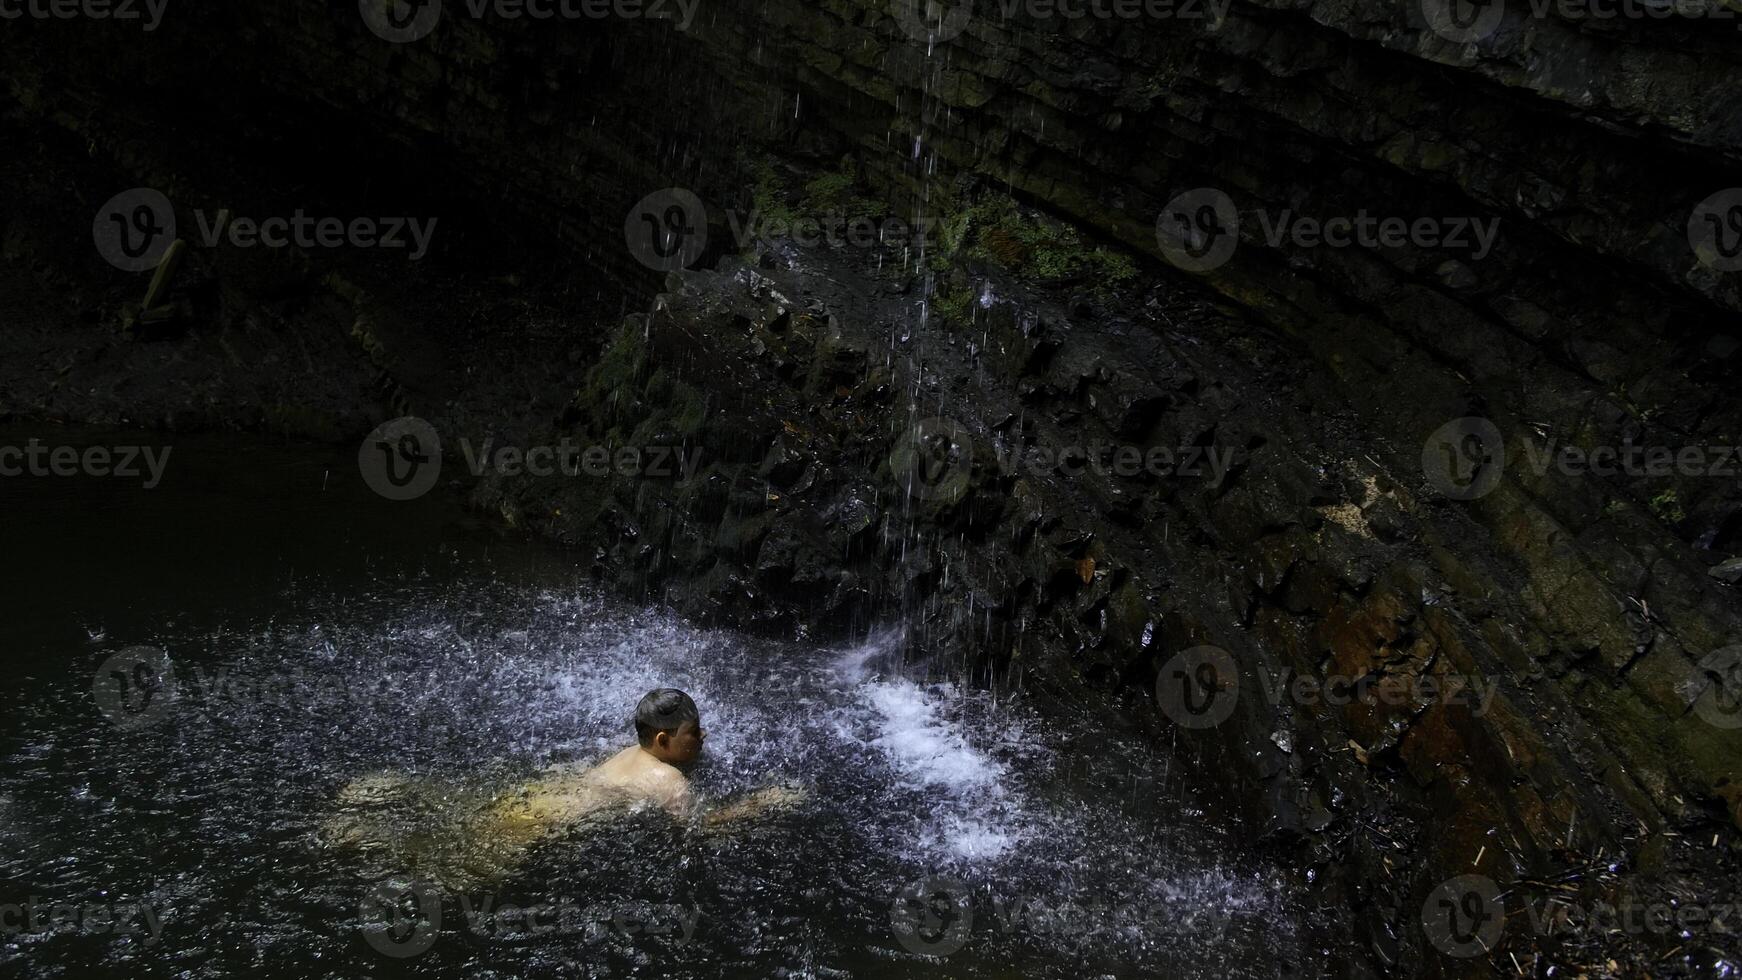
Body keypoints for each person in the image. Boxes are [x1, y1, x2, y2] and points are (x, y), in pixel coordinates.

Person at [325, 688, 803, 888]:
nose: (703, 739)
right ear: (663, 740)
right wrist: (761, 804)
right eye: (694, 733)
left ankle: (389, 790)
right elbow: (698, 832)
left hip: (544, 793)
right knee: (454, 872)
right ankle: (364, 836)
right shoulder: (669, 781)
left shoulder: (629, 753)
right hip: (547, 821)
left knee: (469, 811)